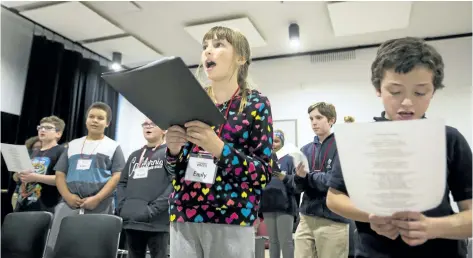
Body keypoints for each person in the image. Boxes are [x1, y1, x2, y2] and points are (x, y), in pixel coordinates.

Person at [326, 37, 472, 258]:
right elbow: (334, 198)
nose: (407, 103)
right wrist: (372, 215)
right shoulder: (360, 139)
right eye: (395, 91)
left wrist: (431, 227)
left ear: (433, 91)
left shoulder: (449, 139)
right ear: (378, 88)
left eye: (420, 92)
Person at [165, 26, 273, 258]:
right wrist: (173, 151)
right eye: (205, 46)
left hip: (231, 217)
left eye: (218, 45)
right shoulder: (191, 100)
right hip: (184, 214)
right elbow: (173, 173)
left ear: (241, 58)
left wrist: (220, 149)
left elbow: (263, 174)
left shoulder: (256, 104)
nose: (208, 51)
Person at [44, 102, 126, 257]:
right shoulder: (72, 145)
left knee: (94, 248)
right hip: (69, 203)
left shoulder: (114, 146)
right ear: (86, 120)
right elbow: (60, 174)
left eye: (100, 118)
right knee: (57, 246)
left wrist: (97, 198)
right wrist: (67, 196)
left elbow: (117, 176)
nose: (95, 120)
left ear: (107, 123)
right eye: (91, 116)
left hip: (100, 205)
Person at [117, 118, 172, 258]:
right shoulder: (134, 155)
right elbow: (122, 183)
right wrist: (123, 207)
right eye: (145, 124)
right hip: (132, 220)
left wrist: (152, 210)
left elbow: (174, 184)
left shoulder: (170, 154)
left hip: (157, 223)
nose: (148, 127)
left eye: (153, 124)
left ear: (164, 130)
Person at [15, 116, 66, 212]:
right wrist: (20, 175)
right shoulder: (32, 152)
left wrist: (36, 177)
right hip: (23, 202)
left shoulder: (62, 151)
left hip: (46, 205)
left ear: (58, 133)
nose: (42, 130)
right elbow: (20, 178)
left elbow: (62, 179)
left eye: (48, 128)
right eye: (40, 127)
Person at [259, 130, 297, 258]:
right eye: (271, 141)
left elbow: (296, 184)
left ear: (282, 142)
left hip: (285, 206)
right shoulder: (263, 160)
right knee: (273, 241)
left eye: (276, 141)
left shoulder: (290, 159)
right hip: (268, 204)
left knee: (286, 241)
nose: (273, 144)